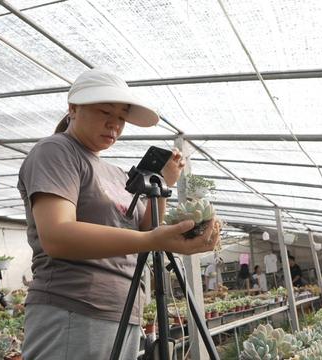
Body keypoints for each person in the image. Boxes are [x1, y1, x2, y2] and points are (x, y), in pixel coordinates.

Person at [18, 69, 220, 360]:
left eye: (122, 117)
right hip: (73, 307)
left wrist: (165, 183)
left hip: (123, 311)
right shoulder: (56, 150)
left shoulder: (115, 173)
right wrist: (153, 239)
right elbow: (58, 236)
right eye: (104, 111)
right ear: (72, 108)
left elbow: (146, 229)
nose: (114, 124)